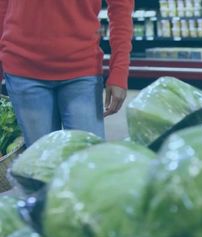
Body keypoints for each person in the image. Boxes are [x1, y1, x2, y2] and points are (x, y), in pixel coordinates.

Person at [0, 0, 134, 146]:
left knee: (87, 160)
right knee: (40, 164)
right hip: (23, 67)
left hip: (82, 69)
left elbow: (121, 7)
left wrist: (119, 70)